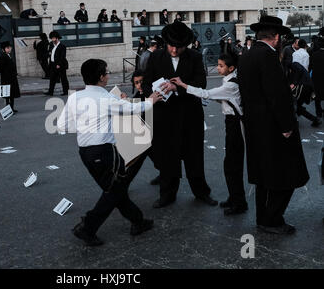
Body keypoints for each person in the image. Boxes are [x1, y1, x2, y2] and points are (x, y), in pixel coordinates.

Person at [57, 59, 163, 246]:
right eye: (106, 72)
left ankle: (138, 221)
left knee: (115, 189)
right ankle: (88, 227)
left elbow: (62, 125)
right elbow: (131, 109)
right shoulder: (105, 98)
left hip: (85, 153)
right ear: (100, 77)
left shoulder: (75, 97)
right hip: (105, 152)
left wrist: (85, 125)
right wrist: (151, 101)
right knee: (114, 192)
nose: (108, 75)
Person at [238, 15, 309, 235]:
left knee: (263, 176)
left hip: (255, 126)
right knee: (285, 174)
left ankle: (263, 218)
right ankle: (272, 219)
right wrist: (287, 126)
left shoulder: (247, 55)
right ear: (277, 37)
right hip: (274, 128)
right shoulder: (268, 57)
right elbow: (276, 96)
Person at [142, 21, 218, 209]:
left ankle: (201, 192)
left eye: (179, 47)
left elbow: (201, 83)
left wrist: (178, 87)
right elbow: (145, 83)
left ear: (186, 45)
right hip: (164, 116)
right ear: (165, 43)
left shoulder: (195, 57)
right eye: (171, 46)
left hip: (190, 115)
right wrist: (151, 94)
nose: (174, 50)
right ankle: (167, 195)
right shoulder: (155, 57)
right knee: (167, 158)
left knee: (194, 156)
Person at [173, 53, 248, 216]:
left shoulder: (230, 85)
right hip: (232, 123)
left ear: (231, 68)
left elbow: (207, 93)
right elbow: (223, 99)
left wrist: (183, 85)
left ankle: (239, 202)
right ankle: (235, 197)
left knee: (232, 165)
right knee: (231, 164)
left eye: (221, 66)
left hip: (235, 125)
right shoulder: (231, 79)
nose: (218, 68)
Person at [290, 62, 321, 127]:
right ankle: (315, 120)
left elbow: (298, 70)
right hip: (306, 88)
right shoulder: (293, 66)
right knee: (298, 106)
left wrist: (294, 83)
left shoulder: (294, 64)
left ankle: (295, 122)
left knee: (294, 105)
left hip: (304, 88)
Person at [0, 41, 20, 113]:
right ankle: (8, 110)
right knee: (8, 95)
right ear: (4, 49)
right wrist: (7, 73)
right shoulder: (3, 56)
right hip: (7, 79)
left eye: (10, 47)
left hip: (11, 78)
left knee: (11, 95)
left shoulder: (8, 55)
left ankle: (11, 108)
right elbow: (0, 68)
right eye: (8, 48)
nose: (10, 49)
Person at [44, 31, 69, 96]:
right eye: (51, 38)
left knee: (63, 79)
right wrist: (48, 54)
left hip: (60, 65)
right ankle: (50, 92)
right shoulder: (51, 45)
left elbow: (62, 56)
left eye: (53, 38)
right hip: (52, 64)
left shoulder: (62, 46)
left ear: (57, 38)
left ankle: (66, 91)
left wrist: (59, 64)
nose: (52, 40)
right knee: (52, 79)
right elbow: (49, 53)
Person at [310, 37, 324, 119]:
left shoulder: (314, 54)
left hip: (317, 78)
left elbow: (310, 67)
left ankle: (318, 113)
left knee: (317, 97)